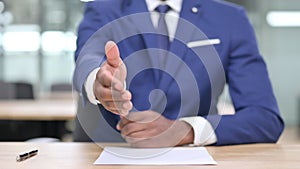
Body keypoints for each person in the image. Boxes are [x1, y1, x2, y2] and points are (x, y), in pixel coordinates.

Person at [73, 0, 284, 147]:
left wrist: (187, 130)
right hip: (109, 155)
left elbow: (265, 118)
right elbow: (88, 57)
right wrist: (99, 81)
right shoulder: (102, 9)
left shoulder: (230, 19)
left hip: (196, 156)